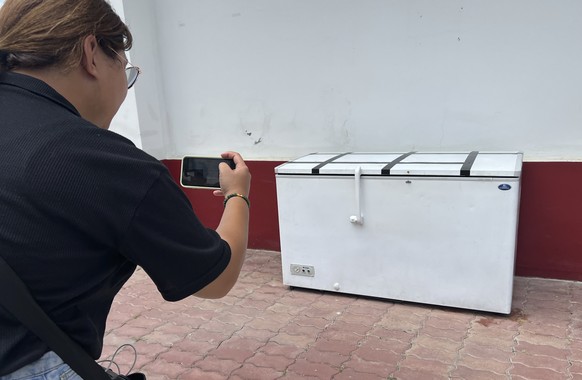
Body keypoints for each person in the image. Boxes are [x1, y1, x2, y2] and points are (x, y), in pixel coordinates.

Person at [0, 0, 251, 378]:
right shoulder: (96, 158)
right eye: (128, 71)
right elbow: (216, 277)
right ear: (92, 54)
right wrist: (238, 195)